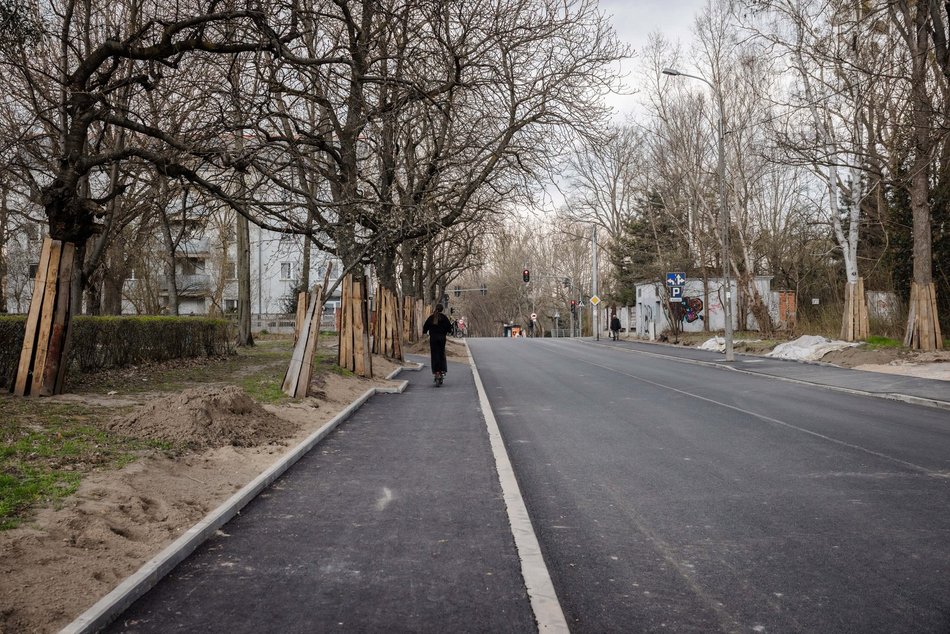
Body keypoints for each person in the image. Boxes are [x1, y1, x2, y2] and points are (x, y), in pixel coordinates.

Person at [422, 303, 453, 386]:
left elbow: (425, 327)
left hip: (433, 339)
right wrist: (447, 331)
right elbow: (450, 329)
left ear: (436, 309)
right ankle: (442, 370)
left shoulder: (431, 317)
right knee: (441, 354)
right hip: (442, 339)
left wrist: (426, 332)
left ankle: (436, 371)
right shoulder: (444, 318)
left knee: (434, 355)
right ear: (442, 310)